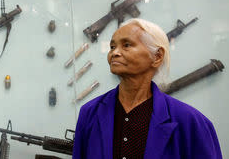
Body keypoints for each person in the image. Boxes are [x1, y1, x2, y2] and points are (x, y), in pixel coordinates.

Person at [72, 18, 222, 159]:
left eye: (127, 45)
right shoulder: (90, 113)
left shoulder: (191, 122)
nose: (114, 53)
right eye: (112, 47)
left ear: (157, 57)